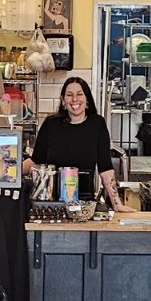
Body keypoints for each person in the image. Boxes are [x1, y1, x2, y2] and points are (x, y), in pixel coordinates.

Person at [24, 76, 126, 211]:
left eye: (79, 94)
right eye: (69, 95)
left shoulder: (97, 124)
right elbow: (35, 161)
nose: (74, 99)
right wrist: (9, 173)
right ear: (63, 101)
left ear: (87, 99)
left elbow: (105, 168)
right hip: (53, 205)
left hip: (85, 205)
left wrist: (117, 205)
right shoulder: (51, 124)